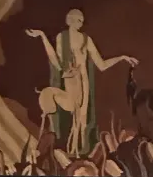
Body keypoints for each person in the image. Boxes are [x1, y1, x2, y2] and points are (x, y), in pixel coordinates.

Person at [26, 9, 137, 158]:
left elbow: (101, 64)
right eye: (78, 19)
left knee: (81, 119)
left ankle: (77, 152)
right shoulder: (62, 38)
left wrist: (122, 57)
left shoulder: (86, 39)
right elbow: (56, 62)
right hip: (69, 78)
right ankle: (67, 150)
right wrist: (43, 37)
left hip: (83, 80)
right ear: (69, 20)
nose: (80, 23)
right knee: (68, 111)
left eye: (82, 20)